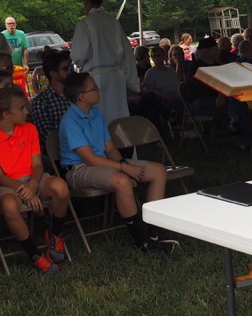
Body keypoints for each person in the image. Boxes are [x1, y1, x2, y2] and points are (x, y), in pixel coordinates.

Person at [57, 72, 177, 253]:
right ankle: (141, 240)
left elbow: (110, 149)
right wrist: (124, 168)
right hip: (79, 169)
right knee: (121, 181)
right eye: (94, 88)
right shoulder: (70, 121)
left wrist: (124, 164)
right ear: (81, 96)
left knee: (158, 170)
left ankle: (154, 230)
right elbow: (89, 159)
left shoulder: (96, 113)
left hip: (103, 162)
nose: (99, 90)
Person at [0, 85, 70, 274]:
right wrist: (24, 189)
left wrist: (33, 184)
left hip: (33, 178)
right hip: (7, 185)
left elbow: (37, 165)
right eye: (21, 108)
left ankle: (55, 234)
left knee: (60, 187)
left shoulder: (29, 129)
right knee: (10, 206)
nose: (26, 111)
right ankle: (34, 254)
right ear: (5, 114)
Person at [70, 0, 138, 125]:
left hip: (96, 80)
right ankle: (124, 144)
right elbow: (127, 53)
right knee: (119, 114)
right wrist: (131, 81)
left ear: (87, 0)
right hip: (116, 78)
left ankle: (103, 145)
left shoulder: (85, 24)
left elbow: (78, 56)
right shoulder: (113, 22)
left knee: (101, 117)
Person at [29, 51, 73, 139]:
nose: (69, 72)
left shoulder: (75, 94)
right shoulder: (41, 102)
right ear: (53, 73)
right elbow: (47, 136)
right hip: (58, 149)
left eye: (69, 68)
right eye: (65, 69)